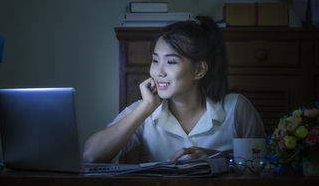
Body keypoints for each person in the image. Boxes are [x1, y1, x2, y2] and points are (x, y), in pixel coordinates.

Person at [83, 15, 266, 163]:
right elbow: (91, 155)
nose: (158, 72)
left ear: (199, 70)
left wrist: (221, 159)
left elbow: (265, 166)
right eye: (155, 60)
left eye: (171, 62)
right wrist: (145, 108)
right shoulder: (144, 111)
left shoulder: (237, 107)